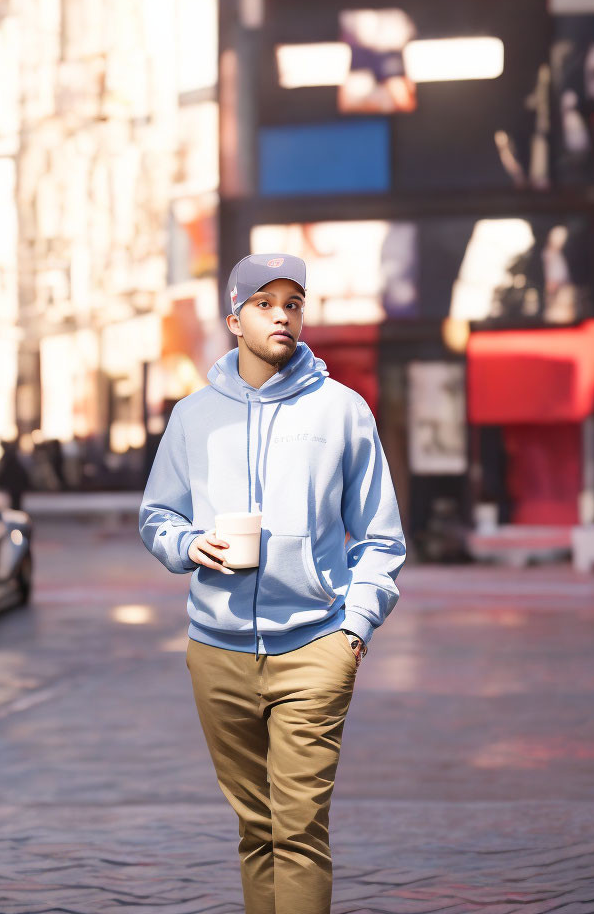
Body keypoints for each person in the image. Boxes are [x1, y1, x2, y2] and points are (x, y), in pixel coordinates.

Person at [139, 253, 405, 914]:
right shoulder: (194, 417)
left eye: (293, 302)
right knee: (256, 832)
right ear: (234, 318)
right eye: (265, 303)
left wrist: (355, 626)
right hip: (217, 651)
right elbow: (156, 514)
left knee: (300, 831)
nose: (283, 314)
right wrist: (186, 544)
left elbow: (380, 535)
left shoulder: (343, 411)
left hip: (316, 648)